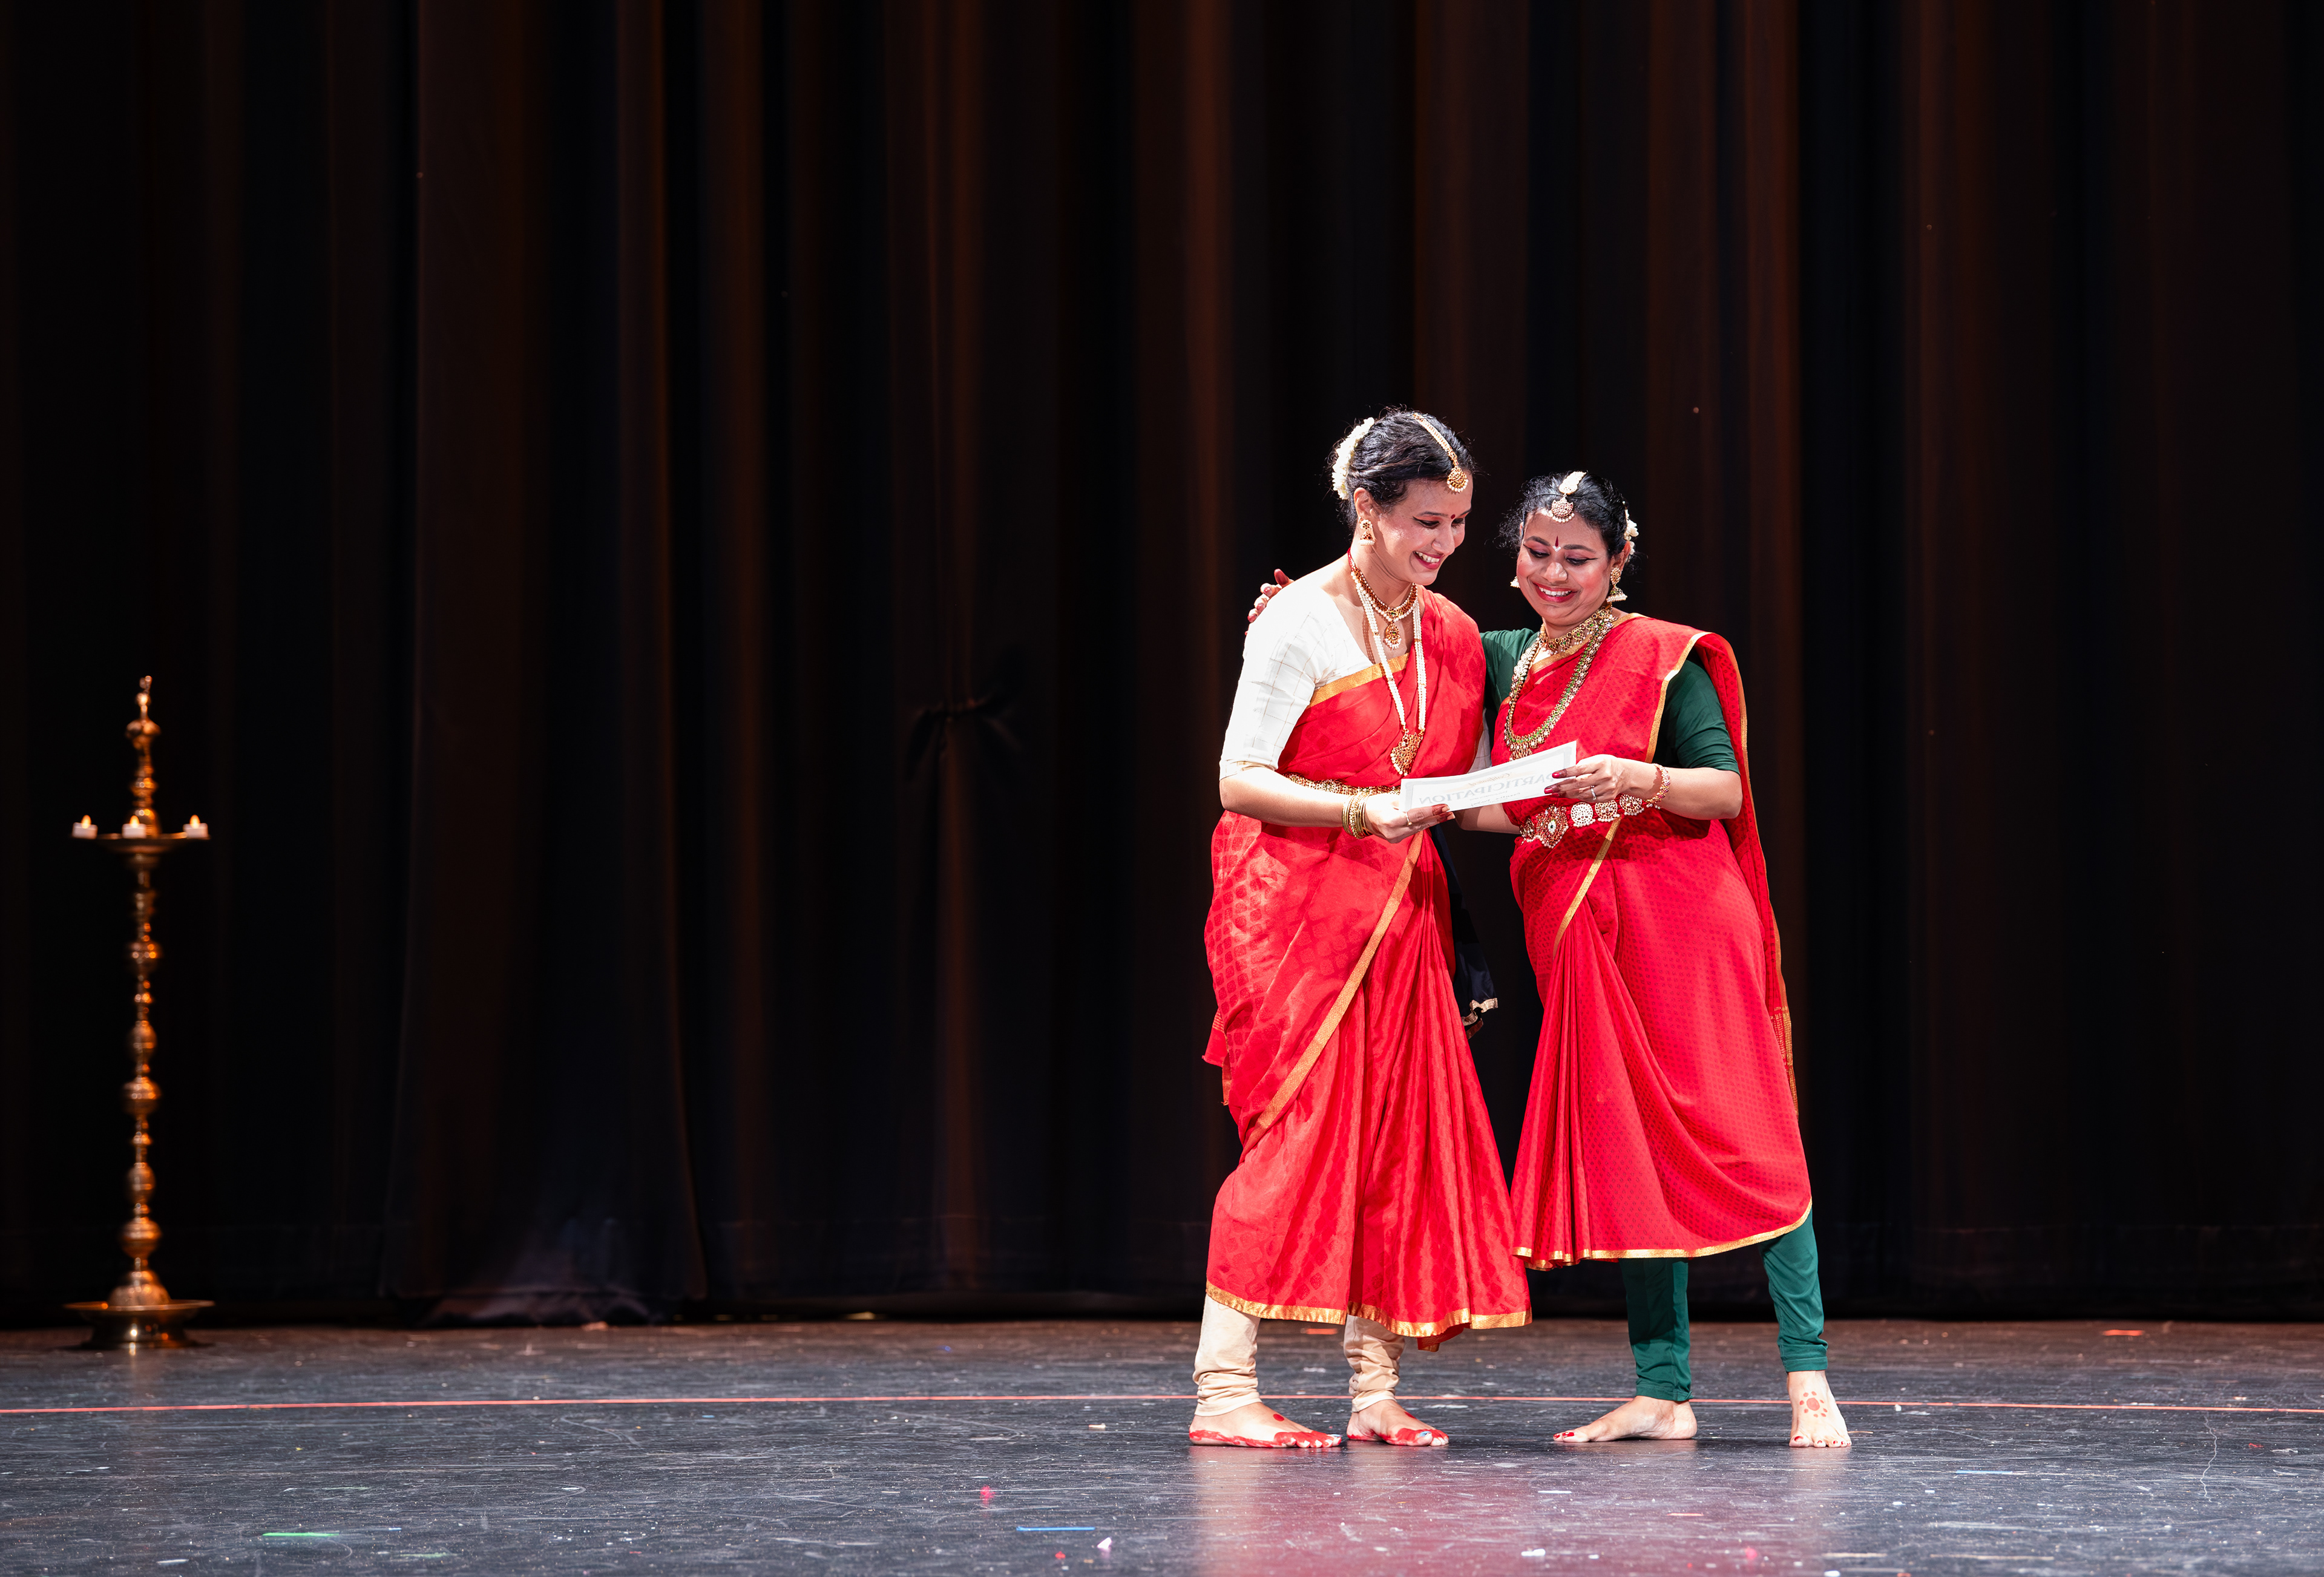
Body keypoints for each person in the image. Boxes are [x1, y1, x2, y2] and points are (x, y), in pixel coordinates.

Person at [1242, 466, 1849, 1450]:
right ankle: (1664, 1389)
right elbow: (1394, 649)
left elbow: (1725, 792)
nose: (1554, 574)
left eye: (1577, 557)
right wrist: (1299, 612)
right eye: (1536, 553)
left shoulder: (1658, 657)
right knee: (1633, 1151)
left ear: (1619, 561)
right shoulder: (1499, 656)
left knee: (1753, 1138)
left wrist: (1638, 776)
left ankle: (1808, 1375)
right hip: (1578, 931)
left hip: (1685, 922)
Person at [1193, 410, 1532, 1451]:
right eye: (1426, 522)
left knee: (1397, 1142)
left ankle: (1373, 1388)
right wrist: (1357, 811)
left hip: (1402, 912)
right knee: (1295, 1143)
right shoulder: (1297, 620)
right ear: (1367, 509)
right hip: (1293, 911)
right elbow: (1238, 777)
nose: (1445, 543)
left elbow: (1459, 794)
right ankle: (1223, 1391)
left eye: (1457, 524)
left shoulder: (1452, 633)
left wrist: (1556, 803)